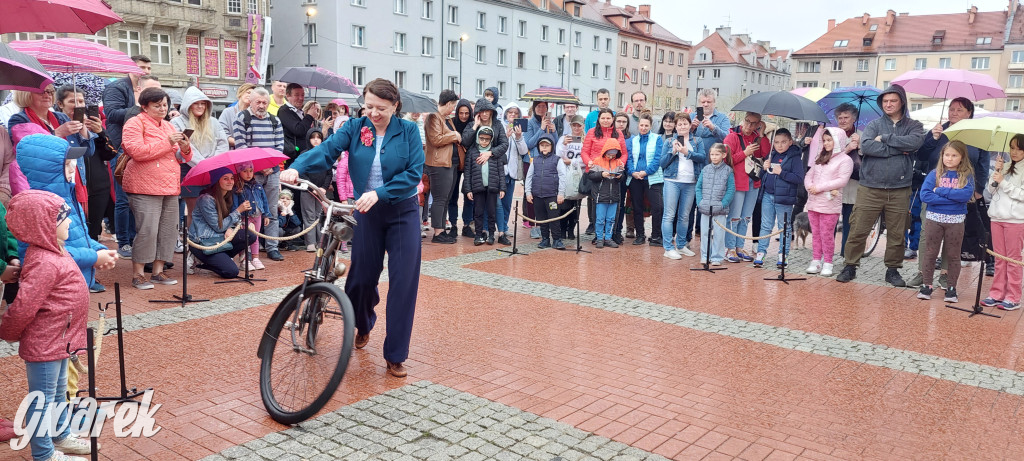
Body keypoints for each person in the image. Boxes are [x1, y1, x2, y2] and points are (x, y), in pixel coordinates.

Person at [281, 78, 424, 378]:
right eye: (368, 106)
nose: (373, 113)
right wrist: (298, 166)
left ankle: (396, 354)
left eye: (381, 108)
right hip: (367, 213)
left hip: (402, 212)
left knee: (403, 283)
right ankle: (362, 322)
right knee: (360, 279)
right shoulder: (355, 128)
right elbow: (328, 149)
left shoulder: (409, 131)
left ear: (395, 106)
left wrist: (380, 193)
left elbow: (413, 174)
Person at [0, 190, 95, 461]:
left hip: (59, 339)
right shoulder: (43, 260)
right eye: (61, 219)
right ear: (43, 225)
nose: (69, 223)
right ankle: (44, 454)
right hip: (45, 343)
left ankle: (60, 435)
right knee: (41, 400)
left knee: (57, 394)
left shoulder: (56, 251)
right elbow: (24, 305)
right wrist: (7, 331)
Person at [836, 84, 925, 285]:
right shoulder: (874, 125)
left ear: (902, 101)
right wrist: (897, 148)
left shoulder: (914, 125)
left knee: (897, 232)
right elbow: (867, 146)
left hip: (900, 189)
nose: (888, 104)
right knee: (858, 228)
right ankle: (850, 266)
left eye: (893, 100)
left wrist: (886, 139)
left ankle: (892, 270)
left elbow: (914, 143)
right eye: (885, 101)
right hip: (870, 186)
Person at [907, 97, 989, 288]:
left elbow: (983, 164)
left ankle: (945, 274)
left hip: (961, 195)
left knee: (952, 237)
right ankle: (922, 272)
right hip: (933, 194)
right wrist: (932, 139)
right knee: (928, 234)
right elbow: (921, 156)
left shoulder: (976, 135)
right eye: (951, 109)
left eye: (959, 110)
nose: (953, 113)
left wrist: (979, 189)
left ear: (969, 113)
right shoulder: (939, 131)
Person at [121, 87, 191, 289]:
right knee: (147, 230)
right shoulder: (134, 123)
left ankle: (158, 271)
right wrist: (167, 143)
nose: (162, 109)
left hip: (169, 185)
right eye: (157, 105)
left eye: (165, 105)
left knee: (168, 230)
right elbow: (137, 152)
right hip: (143, 185)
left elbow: (180, 157)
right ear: (144, 106)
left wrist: (185, 149)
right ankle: (138, 274)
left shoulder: (169, 126)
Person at [102, 55, 151, 260]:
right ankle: (124, 242)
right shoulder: (117, 88)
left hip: (143, 146)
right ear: (129, 69)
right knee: (123, 198)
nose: (146, 71)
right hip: (121, 147)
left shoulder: (148, 88)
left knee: (138, 197)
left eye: (148, 68)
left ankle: (135, 238)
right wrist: (140, 107)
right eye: (142, 67)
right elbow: (111, 114)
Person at [915, 140, 975, 302]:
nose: (949, 158)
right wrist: (953, 198)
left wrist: (940, 191)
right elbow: (925, 196)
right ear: (942, 156)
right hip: (934, 219)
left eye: (954, 155)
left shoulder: (966, 176)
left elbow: (965, 196)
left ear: (961, 157)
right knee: (930, 252)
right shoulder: (934, 174)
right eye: (946, 155)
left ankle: (951, 288)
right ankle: (927, 286)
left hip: (956, 221)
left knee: (953, 255)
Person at [233, 87, 286, 262]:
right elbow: (241, 147)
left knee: (271, 211)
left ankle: (272, 247)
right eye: (258, 102)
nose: (262, 106)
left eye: (265, 102)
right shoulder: (242, 118)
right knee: (249, 212)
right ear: (251, 101)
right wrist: (257, 166)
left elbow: (280, 147)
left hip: (272, 171)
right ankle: (248, 250)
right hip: (250, 174)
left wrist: (270, 165)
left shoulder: (275, 120)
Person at [172, 87, 229, 227]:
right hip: (190, 171)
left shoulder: (213, 122)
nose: (200, 106)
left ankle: (211, 244)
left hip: (213, 171)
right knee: (194, 211)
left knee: (214, 209)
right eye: (196, 103)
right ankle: (193, 245)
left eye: (203, 103)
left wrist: (213, 164)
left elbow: (223, 143)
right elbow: (183, 148)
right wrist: (203, 164)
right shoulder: (176, 123)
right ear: (188, 104)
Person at [188, 168, 258, 278]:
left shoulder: (227, 196)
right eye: (225, 179)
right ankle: (202, 262)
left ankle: (221, 258)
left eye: (231, 178)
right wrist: (238, 211)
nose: (230, 182)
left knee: (250, 235)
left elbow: (228, 223)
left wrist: (230, 228)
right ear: (217, 181)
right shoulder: (206, 199)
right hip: (203, 243)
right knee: (231, 272)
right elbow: (218, 226)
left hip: (219, 239)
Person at [803, 127, 853, 277]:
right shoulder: (820, 157)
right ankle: (816, 259)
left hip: (830, 204)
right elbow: (809, 174)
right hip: (813, 202)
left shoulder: (845, 160)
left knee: (827, 234)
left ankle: (828, 262)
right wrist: (809, 186)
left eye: (829, 140)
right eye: (824, 140)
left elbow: (841, 180)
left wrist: (818, 187)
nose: (826, 143)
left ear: (838, 140)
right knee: (816, 233)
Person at [982, 134, 1024, 311]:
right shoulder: (1004, 166)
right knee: (999, 259)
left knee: (1013, 260)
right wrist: (996, 173)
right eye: (1012, 147)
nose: (1014, 152)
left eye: (1019, 148)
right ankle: (997, 293)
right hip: (997, 217)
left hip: (1016, 220)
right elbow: (990, 190)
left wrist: (1004, 183)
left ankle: (1013, 297)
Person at [752, 129, 805, 268]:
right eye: (776, 142)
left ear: (790, 142)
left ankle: (783, 255)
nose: (779, 145)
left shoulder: (795, 158)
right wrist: (764, 168)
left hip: (784, 199)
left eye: (783, 142)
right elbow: (764, 175)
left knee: (784, 227)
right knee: (766, 225)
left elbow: (799, 178)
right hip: (768, 195)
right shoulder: (772, 154)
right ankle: (761, 252)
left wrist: (782, 173)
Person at [722, 111, 769, 263]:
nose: (749, 126)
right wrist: (744, 153)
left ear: (759, 124)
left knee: (746, 217)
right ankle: (729, 248)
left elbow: (765, 153)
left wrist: (761, 135)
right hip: (737, 181)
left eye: (754, 123)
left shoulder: (757, 137)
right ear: (743, 119)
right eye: (747, 121)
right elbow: (726, 160)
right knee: (734, 216)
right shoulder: (732, 136)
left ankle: (739, 246)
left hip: (753, 181)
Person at [460, 97, 508, 237]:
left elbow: (504, 144)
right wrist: (475, 126)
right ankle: (482, 231)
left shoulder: (498, 125)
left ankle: (500, 232)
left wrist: (490, 153)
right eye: (482, 111)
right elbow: (465, 142)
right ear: (478, 113)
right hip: (476, 169)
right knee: (478, 204)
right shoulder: (471, 125)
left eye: (488, 111)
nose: (485, 114)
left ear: (492, 112)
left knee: (496, 204)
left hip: (493, 167)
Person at [660, 113, 705, 259]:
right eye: (679, 124)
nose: (682, 126)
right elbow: (662, 163)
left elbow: (703, 158)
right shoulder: (669, 141)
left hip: (690, 182)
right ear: (675, 126)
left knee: (684, 216)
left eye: (685, 123)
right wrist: (672, 152)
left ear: (690, 125)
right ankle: (668, 247)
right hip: (672, 181)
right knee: (669, 215)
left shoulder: (697, 141)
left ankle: (680, 245)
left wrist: (688, 152)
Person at [691, 89, 732, 241]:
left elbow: (728, 138)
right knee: (694, 198)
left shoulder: (722, 118)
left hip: (714, 165)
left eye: (709, 102)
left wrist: (713, 127)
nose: (706, 104)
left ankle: (706, 232)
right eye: (703, 102)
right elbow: (683, 137)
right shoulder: (692, 116)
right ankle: (693, 232)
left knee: (711, 197)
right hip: (694, 163)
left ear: (714, 102)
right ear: (699, 103)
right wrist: (692, 129)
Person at [581, 109, 627, 243]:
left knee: (614, 205)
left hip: (613, 173)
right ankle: (598, 235)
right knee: (597, 205)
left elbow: (623, 153)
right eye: (603, 118)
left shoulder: (618, 133)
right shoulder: (591, 132)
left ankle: (611, 235)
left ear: (612, 119)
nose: (606, 120)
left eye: (608, 118)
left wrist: (620, 165)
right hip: (597, 172)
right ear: (598, 119)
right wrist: (588, 162)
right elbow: (585, 151)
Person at [423, 89, 462, 244]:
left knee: (445, 198)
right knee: (440, 198)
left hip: (450, 163)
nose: (453, 109)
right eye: (453, 105)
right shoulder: (433, 117)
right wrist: (455, 135)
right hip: (438, 164)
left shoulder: (447, 119)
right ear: (447, 104)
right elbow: (436, 139)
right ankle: (437, 233)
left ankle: (442, 230)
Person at [625, 113, 664, 246]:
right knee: (637, 207)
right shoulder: (632, 140)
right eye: (641, 125)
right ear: (638, 125)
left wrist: (646, 172)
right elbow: (629, 159)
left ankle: (656, 236)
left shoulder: (657, 139)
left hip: (652, 177)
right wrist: (633, 172)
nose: (643, 127)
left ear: (650, 126)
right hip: (635, 178)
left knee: (657, 207)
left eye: (646, 125)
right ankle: (640, 235)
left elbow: (657, 159)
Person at [463, 126, 506, 245]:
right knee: (478, 212)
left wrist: (502, 188)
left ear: (491, 140)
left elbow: (500, 172)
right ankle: (478, 235)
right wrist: (468, 189)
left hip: (492, 187)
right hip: (477, 187)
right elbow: (467, 172)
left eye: (487, 139)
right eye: (482, 139)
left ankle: (491, 235)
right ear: (478, 138)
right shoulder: (472, 152)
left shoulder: (494, 153)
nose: (484, 141)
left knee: (492, 212)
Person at [696, 143, 736, 265]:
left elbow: (731, 189)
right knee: (704, 233)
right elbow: (698, 187)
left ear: (723, 155)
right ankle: (705, 255)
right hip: (705, 208)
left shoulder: (728, 171)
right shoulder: (706, 169)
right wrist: (700, 202)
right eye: (712, 154)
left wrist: (723, 204)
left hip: (720, 209)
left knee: (719, 234)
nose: (714, 157)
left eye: (717, 154)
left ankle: (717, 257)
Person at [526, 133, 567, 249]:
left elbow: (562, 177)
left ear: (552, 147)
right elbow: (529, 177)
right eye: (542, 145)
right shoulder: (535, 160)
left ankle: (557, 240)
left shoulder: (557, 160)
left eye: (547, 145)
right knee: (541, 219)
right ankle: (545, 239)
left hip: (552, 195)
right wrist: (528, 192)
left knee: (554, 218)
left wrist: (561, 193)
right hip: (538, 196)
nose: (544, 147)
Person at [525, 101, 557, 239]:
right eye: (538, 106)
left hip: (549, 162)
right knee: (533, 195)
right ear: (534, 108)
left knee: (547, 194)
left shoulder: (550, 122)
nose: (541, 109)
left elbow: (554, 143)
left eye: (544, 106)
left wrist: (553, 130)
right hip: (533, 161)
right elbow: (529, 143)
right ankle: (533, 224)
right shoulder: (530, 123)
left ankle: (545, 224)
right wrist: (541, 129)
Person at [497, 102, 528, 245]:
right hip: (500, 171)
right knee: (497, 202)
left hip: (512, 172)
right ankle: (497, 227)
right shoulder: (499, 127)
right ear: (505, 114)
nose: (513, 115)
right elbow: (499, 148)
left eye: (516, 113)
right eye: (510, 113)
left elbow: (523, 151)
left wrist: (518, 136)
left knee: (507, 203)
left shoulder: (520, 131)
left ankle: (504, 226)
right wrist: (507, 136)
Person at [588, 138, 626, 248]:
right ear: (605, 151)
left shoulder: (618, 162)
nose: (611, 156)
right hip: (601, 196)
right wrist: (601, 174)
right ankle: (599, 238)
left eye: (613, 154)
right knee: (600, 219)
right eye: (609, 154)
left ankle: (608, 238)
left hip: (614, 196)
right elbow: (591, 176)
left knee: (611, 219)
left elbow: (622, 177)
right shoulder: (597, 161)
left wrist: (620, 176)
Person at [232, 162, 269, 270]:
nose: (248, 174)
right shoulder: (237, 188)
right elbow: (235, 204)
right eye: (245, 171)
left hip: (257, 214)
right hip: (244, 217)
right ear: (239, 172)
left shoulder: (258, 186)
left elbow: (264, 200)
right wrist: (237, 215)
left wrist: (266, 214)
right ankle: (244, 259)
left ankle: (255, 258)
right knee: (245, 238)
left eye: (251, 171)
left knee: (255, 237)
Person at [556, 114, 585, 238]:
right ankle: (563, 229)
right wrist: (563, 144)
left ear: (583, 126)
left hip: (579, 174)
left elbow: (586, 159)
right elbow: (558, 154)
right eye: (574, 125)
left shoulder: (585, 140)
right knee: (564, 203)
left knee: (576, 204)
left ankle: (571, 229)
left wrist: (572, 162)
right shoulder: (564, 138)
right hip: (565, 174)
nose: (577, 128)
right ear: (570, 125)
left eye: (579, 125)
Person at [448, 99, 473, 238]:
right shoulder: (451, 123)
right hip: (454, 162)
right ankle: (452, 224)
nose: (463, 116)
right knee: (453, 195)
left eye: (466, 113)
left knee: (469, 194)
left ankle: (467, 224)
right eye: (461, 113)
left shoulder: (474, 123)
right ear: (457, 112)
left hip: (470, 163)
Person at [278, 83, 317, 160]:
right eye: (296, 95)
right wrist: (309, 116)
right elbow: (298, 130)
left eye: (302, 95)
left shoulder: (300, 112)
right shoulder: (284, 111)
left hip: (305, 154)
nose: (300, 98)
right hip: (293, 156)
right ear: (288, 96)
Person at [219, 83, 257, 149]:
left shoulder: (256, 114)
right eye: (248, 92)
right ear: (240, 93)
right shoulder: (228, 112)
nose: (250, 96)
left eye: (253, 95)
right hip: (232, 152)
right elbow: (221, 133)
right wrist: (239, 143)